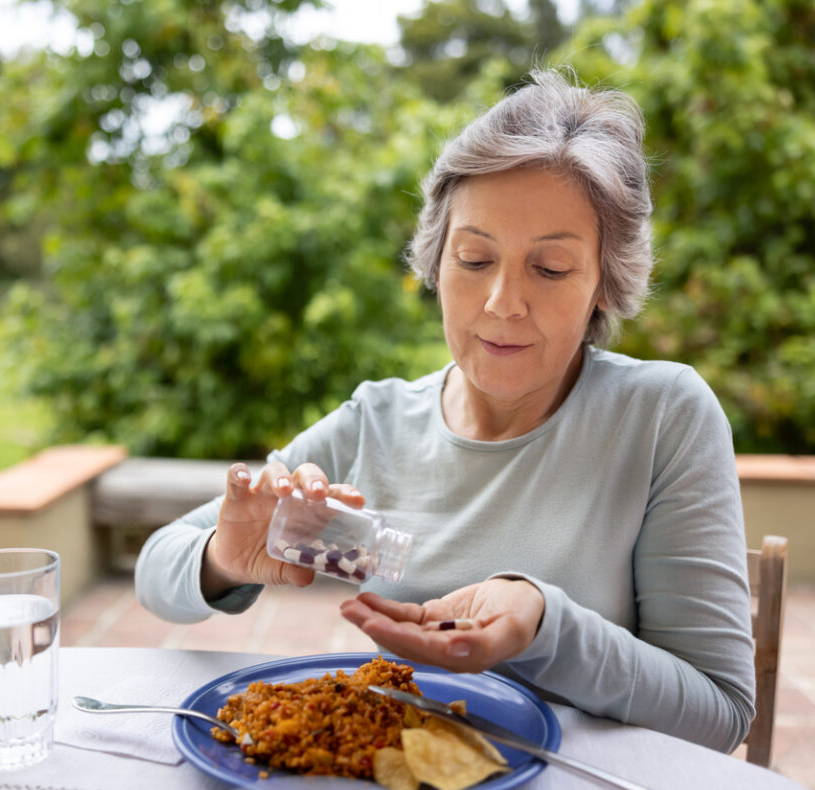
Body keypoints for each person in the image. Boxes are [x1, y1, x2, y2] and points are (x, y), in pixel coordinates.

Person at [134, 67, 755, 753]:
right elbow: (156, 569)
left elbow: (720, 712)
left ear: (605, 282)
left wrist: (544, 625)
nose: (503, 302)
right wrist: (223, 557)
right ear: (437, 263)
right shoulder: (376, 425)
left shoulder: (662, 417)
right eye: (474, 259)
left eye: (550, 268)